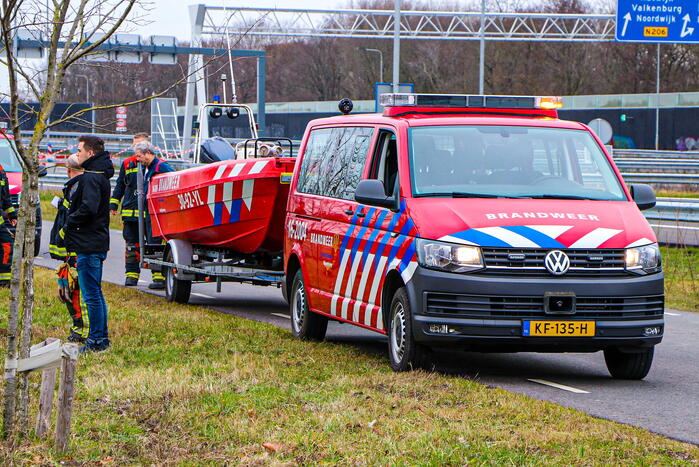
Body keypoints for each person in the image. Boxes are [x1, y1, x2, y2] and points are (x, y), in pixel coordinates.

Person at [64, 136, 114, 353]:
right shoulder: (99, 175)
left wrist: (70, 220)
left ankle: (95, 341)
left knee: (91, 295)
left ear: (90, 153)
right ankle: (101, 338)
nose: (78, 154)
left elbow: (89, 208)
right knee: (96, 293)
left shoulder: (91, 178)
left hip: (89, 244)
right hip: (95, 241)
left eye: (80, 150)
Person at [49, 155, 86, 342]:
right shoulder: (74, 188)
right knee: (68, 290)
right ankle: (78, 328)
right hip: (71, 251)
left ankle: (80, 330)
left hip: (76, 251)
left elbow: (72, 219)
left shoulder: (77, 188)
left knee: (74, 292)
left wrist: (63, 235)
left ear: (68, 170)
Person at [133, 141, 174, 290]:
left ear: (148, 153)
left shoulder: (161, 167)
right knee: (151, 242)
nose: (138, 159)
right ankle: (158, 276)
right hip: (151, 212)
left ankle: (161, 278)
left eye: (139, 156)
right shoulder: (149, 168)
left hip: (158, 214)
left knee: (156, 243)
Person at [110, 132, 148, 286]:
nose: (136, 149)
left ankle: (159, 278)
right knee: (131, 245)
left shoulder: (156, 163)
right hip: (130, 213)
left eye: (140, 145)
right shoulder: (127, 163)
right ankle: (131, 276)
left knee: (155, 244)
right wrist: (113, 204)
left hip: (149, 215)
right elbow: (120, 185)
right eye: (135, 145)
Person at [0, 163, 17, 286]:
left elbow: (5, 197)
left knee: (7, 245)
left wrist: (12, 215)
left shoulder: (1, 171)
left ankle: (4, 281)